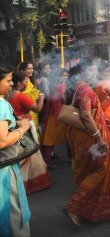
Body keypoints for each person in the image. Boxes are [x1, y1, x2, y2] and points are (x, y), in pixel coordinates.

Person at [64, 62, 110, 227]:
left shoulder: (77, 86)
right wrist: (99, 137)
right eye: (92, 69)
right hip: (89, 136)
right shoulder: (85, 89)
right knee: (101, 168)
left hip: (80, 136)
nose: (95, 72)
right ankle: (74, 205)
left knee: (86, 170)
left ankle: (88, 209)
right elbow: (86, 116)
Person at [0, 66, 31, 237]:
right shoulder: (1, 104)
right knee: (12, 210)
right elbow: (3, 140)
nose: (11, 83)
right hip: (3, 169)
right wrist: (23, 128)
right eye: (7, 80)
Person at [8, 71, 50, 194]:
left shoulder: (8, 95)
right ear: (19, 83)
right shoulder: (20, 96)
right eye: (25, 82)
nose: (27, 84)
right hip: (26, 129)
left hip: (17, 129)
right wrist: (41, 98)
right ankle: (26, 186)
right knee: (30, 156)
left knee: (27, 158)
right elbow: (37, 109)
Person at [40, 69, 69, 168]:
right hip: (56, 114)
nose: (65, 77)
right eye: (63, 75)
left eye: (66, 75)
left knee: (49, 138)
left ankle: (46, 161)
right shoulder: (61, 85)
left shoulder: (55, 84)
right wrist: (66, 104)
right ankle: (46, 163)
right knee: (51, 139)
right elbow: (62, 98)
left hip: (52, 113)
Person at [17, 62, 40, 132]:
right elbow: (24, 96)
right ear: (22, 70)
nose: (31, 70)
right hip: (27, 111)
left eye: (32, 68)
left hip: (33, 108)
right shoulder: (20, 82)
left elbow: (33, 95)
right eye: (29, 69)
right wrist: (35, 87)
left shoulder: (30, 80)